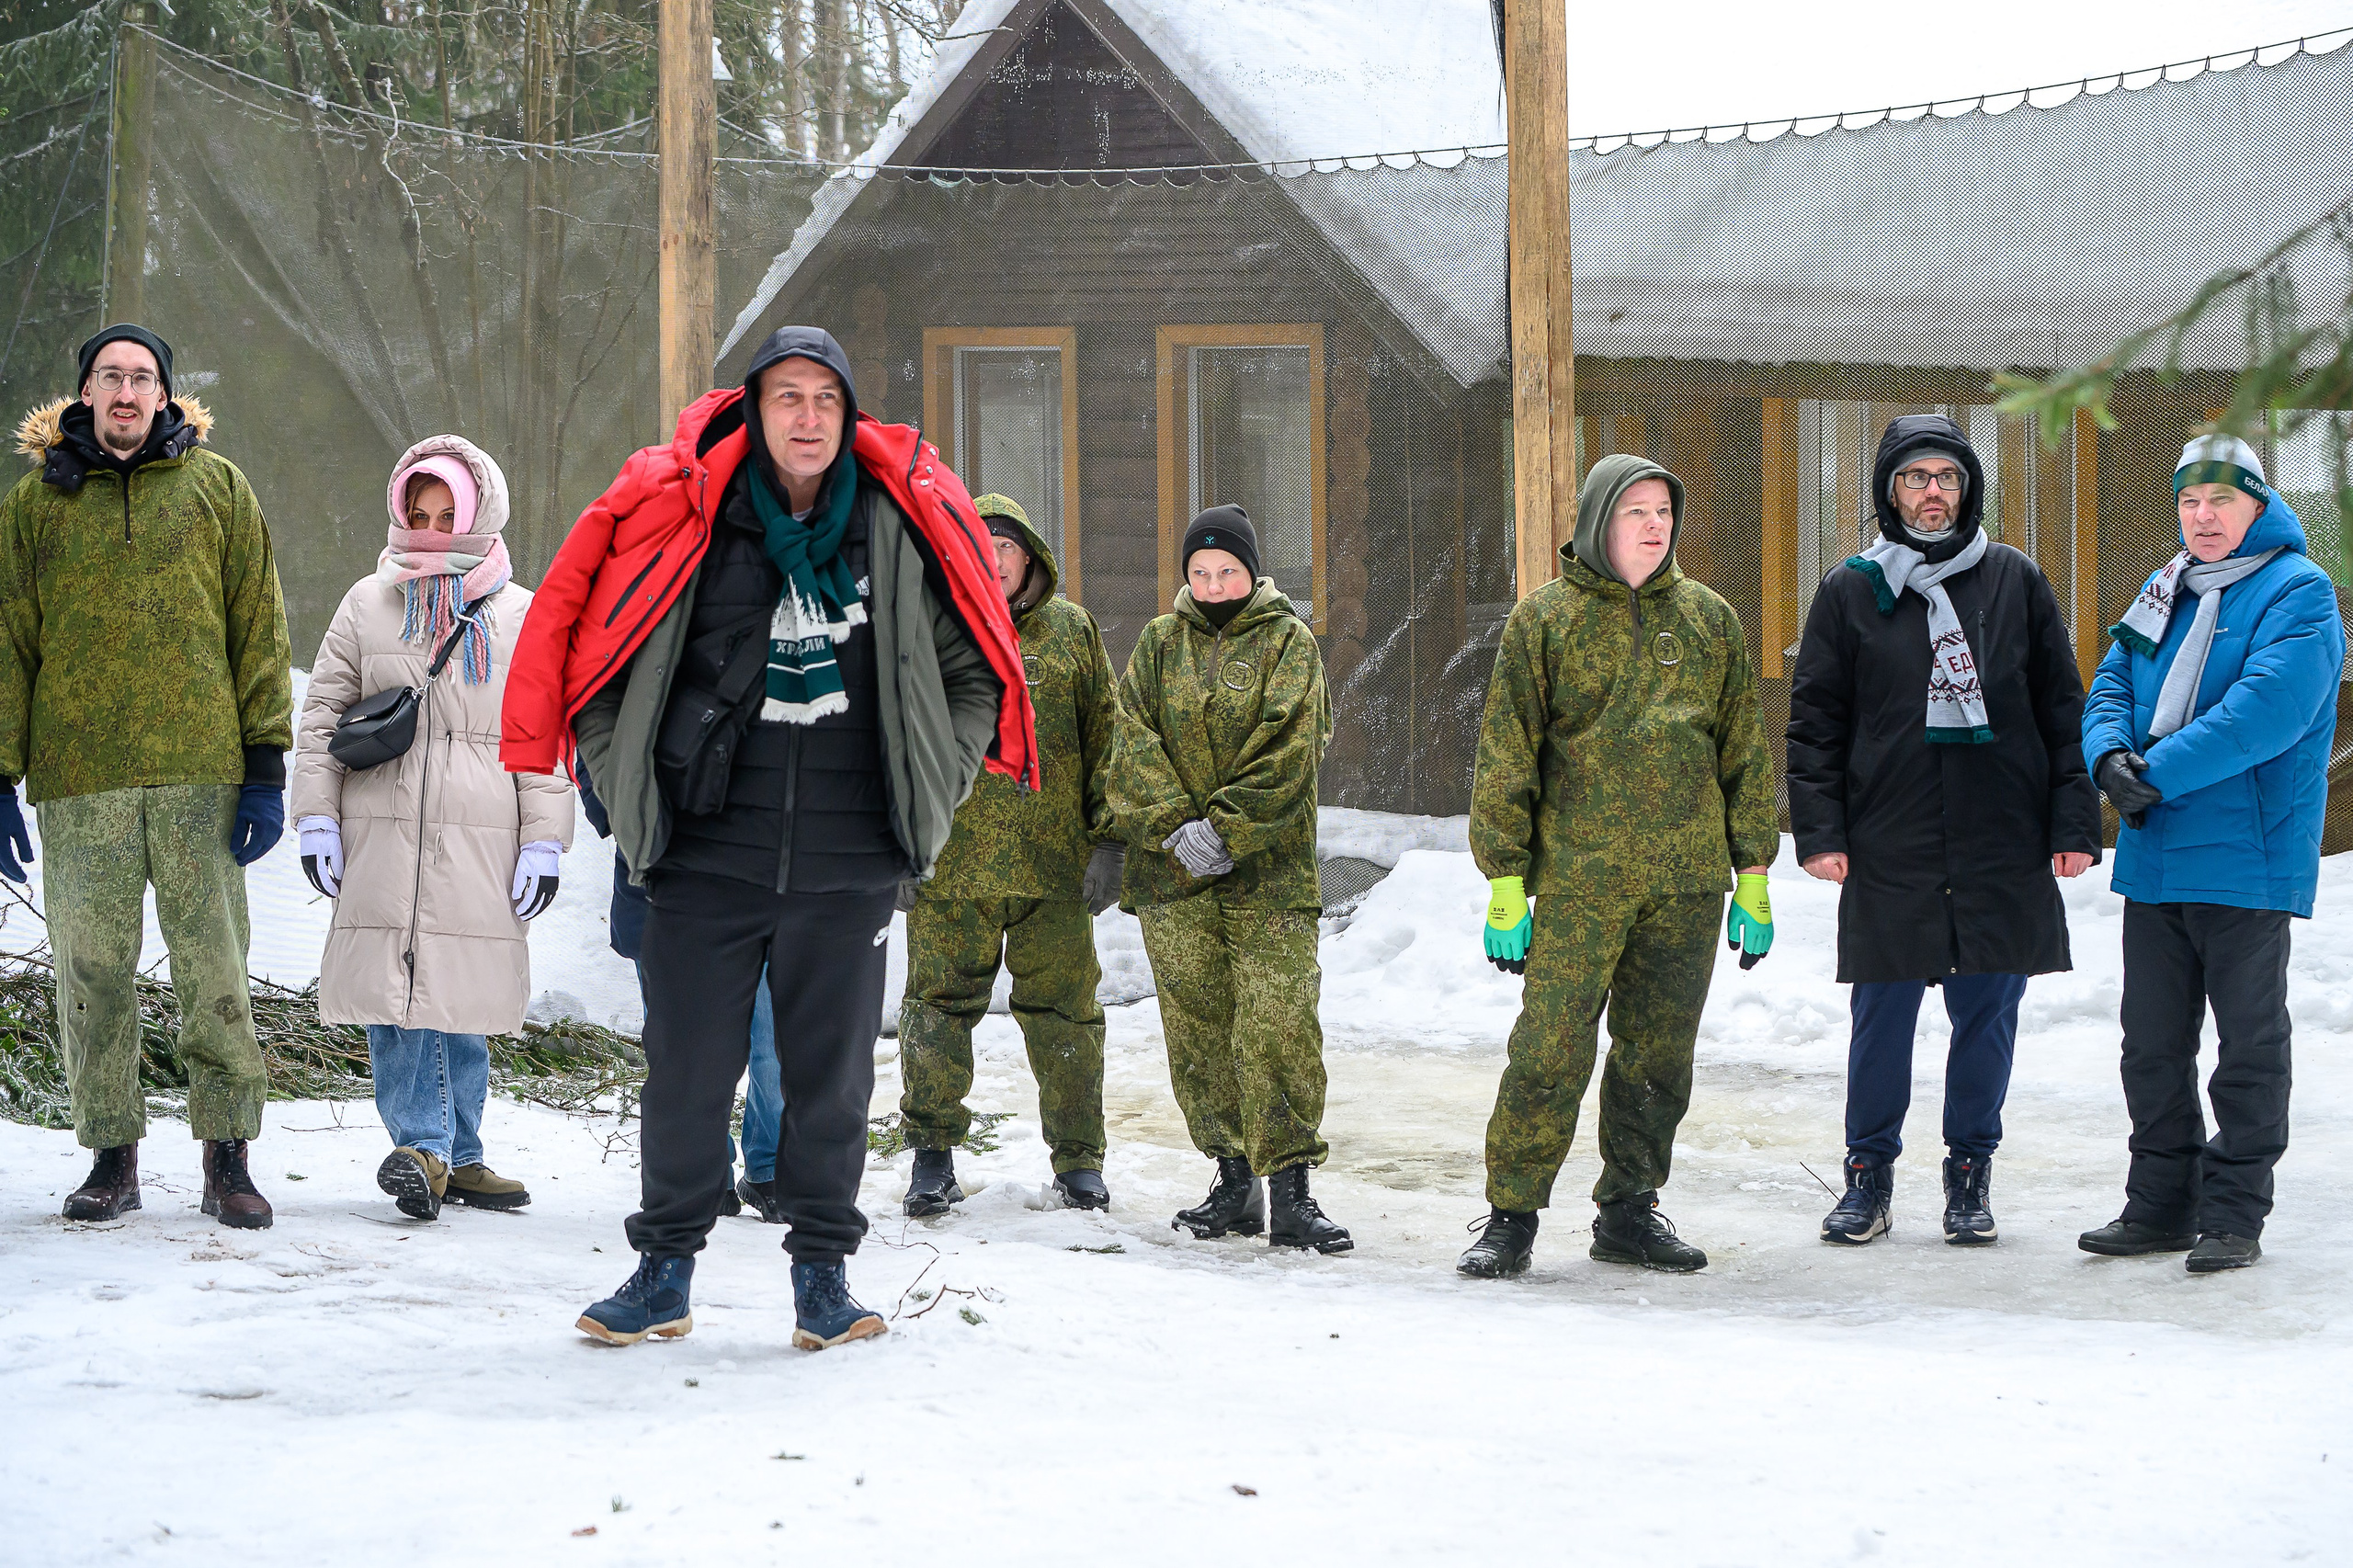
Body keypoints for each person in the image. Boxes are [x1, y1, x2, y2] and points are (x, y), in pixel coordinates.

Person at [504, 325, 1031, 1350]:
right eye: (786, 396)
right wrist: (622, 784)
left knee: (830, 1084)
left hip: (850, 859)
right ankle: (662, 1271)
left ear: (847, 416)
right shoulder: (691, 520)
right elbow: (601, 669)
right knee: (687, 1073)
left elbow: (975, 669)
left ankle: (823, 1281)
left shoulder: (895, 524)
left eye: (825, 400)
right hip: (704, 856)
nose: (806, 418)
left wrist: (938, 782)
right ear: (754, 409)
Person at [0, 324, 292, 1228]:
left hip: (199, 771)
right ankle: (111, 1156)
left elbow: (259, 625)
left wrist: (265, 761)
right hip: (79, 776)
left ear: (165, 396)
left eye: (141, 377)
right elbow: (8, 644)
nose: (125, 392)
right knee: (92, 969)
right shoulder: (32, 507)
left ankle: (228, 1157)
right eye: (108, 377)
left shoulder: (218, 488)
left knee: (216, 968)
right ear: (82, 393)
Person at [1785, 415, 2101, 1247]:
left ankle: (1970, 1175)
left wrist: (2074, 821)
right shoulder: (1851, 590)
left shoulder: (2015, 581)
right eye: (1916, 477)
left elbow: (2062, 710)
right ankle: (1867, 1177)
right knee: (1881, 1016)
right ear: (1889, 491)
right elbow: (1815, 722)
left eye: (1948, 478)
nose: (1934, 492)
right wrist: (1820, 832)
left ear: (1969, 489)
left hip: (2001, 839)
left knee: (1988, 1014)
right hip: (1892, 840)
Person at [1458, 454, 1777, 1279]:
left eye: (1663, 510)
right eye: (1636, 509)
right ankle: (1512, 1215)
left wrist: (1754, 874)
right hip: (1577, 880)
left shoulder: (1709, 619)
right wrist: (1504, 880)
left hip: (1687, 882)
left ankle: (1630, 1208)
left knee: (1656, 1055)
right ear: (1601, 520)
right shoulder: (1546, 621)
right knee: (1549, 1049)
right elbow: (1506, 755)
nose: (1653, 523)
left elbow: (1742, 752)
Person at [2078, 435, 2342, 1275]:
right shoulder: (2165, 585)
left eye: (2221, 502)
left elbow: (2268, 713)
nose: (2202, 517)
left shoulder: (2298, 592)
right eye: (2190, 502)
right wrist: (2108, 755)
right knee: (2150, 1042)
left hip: (2248, 857)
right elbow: (2112, 681)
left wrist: (2149, 773)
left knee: (2249, 1045)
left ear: (2257, 506)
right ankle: (2158, 1204)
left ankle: (2233, 1214)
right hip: (2157, 854)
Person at [290, 437, 572, 1221]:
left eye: (451, 514)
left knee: (460, 994)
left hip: (479, 833)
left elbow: (543, 732)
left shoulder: (519, 613)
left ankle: (460, 1152)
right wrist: (316, 817)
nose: (435, 529)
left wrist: (545, 837)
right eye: (421, 513)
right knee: (394, 992)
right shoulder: (366, 602)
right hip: (380, 825)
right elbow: (321, 717)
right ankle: (423, 1145)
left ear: (481, 512)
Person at [1111, 505, 1348, 1253]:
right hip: (1173, 877)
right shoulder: (1157, 644)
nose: (1214, 585)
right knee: (1200, 1029)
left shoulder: (1289, 644)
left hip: (1268, 878)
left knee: (1278, 1024)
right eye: (1201, 572)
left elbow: (1292, 746)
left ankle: (1293, 1194)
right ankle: (1233, 1180)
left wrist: (1226, 827)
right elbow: (1131, 741)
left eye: (1228, 571)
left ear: (1253, 572)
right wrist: (1176, 825)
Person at [898, 494, 1121, 1215]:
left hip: (1054, 870)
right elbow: (889, 742)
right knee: (935, 1013)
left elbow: (1107, 740)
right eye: (976, 543)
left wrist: (1110, 841)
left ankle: (1079, 1162)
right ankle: (931, 1160)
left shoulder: (1070, 632)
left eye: (1005, 546)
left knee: (1067, 1019)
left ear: (1030, 557)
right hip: (949, 868)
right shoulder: (927, 629)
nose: (990, 558)